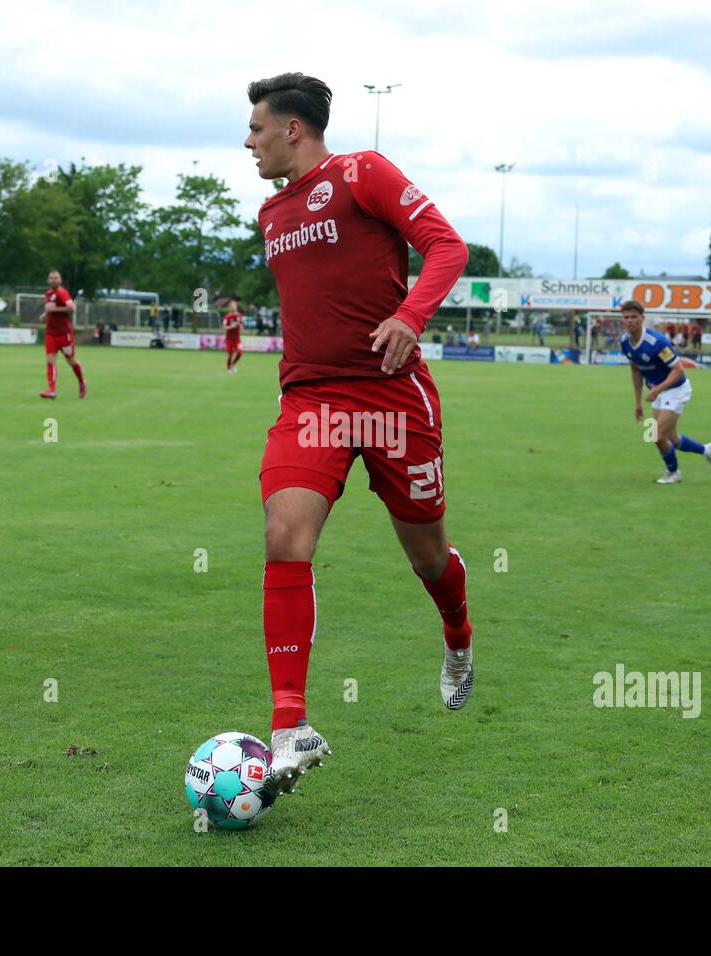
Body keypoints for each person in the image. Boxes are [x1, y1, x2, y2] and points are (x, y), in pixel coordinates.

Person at [244, 71, 472, 796]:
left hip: (392, 397)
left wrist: (410, 318)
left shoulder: (362, 172)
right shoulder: (268, 214)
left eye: (256, 127)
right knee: (286, 535)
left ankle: (459, 638)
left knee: (429, 557)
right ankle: (291, 728)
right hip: (312, 399)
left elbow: (447, 247)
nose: (247, 141)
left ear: (294, 129)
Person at [619, 300, 711, 484]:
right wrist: (638, 402)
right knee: (671, 439)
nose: (630, 321)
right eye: (626, 317)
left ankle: (673, 473)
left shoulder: (657, 342)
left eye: (634, 317)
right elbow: (635, 370)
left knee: (655, 435)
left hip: (676, 389)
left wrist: (657, 388)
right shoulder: (625, 341)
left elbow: (678, 370)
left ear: (642, 318)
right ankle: (707, 450)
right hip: (657, 392)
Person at [37, 270, 86, 399]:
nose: (53, 280)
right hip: (51, 333)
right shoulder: (48, 294)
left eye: (56, 278)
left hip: (64, 334)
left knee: (71, 361)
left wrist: (54, 310)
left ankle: (81, 382)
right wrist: (45, 315)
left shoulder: (62, 292)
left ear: (60, 280)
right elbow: (50, 309)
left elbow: (71, 308)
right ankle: (52, 390)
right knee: (50, 360)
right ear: (48, 280)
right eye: (51, 278)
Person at [222, 299, 244, 373]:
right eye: (231, 306)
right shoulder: (227, 317)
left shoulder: (239, 316)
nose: (233, 307)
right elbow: (224, 327)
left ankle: (232, 365)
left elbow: (241, 326)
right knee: (230, 354)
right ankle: (228, 369)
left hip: (237, 338)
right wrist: (232, 326)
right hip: (229, 338)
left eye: (234, 306)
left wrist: (241, 328)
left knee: (240, 352)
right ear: (229, 308)